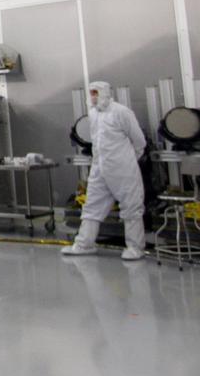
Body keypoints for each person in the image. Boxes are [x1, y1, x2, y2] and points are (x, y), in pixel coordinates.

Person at [62, 81, 148, 261]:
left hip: (122, 168)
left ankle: (135, 247)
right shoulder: (93, 114)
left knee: (131, 206)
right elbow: (96, 140)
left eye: (96, 93)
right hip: (99, 167)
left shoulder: (121, 112)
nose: (93, 97)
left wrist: (127, 160)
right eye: (91, 93)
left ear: (105, 93)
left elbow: (139, 141)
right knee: (92, 205)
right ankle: (84, 244)